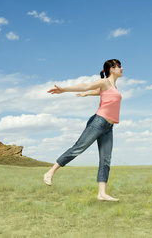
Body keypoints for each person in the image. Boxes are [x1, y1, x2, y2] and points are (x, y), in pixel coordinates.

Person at [44, 59, 123, 202]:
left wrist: (87, 94)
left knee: (105, 160)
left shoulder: (112, 86)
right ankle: (50, 172)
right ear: (112, 69)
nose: (122, 69)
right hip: (98, 122)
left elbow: (97, 92)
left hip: (108, 127)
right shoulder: (105, 82)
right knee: (78, 148)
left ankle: (102, 193)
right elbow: (87, 85)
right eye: (119, 66)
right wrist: (64, 89)